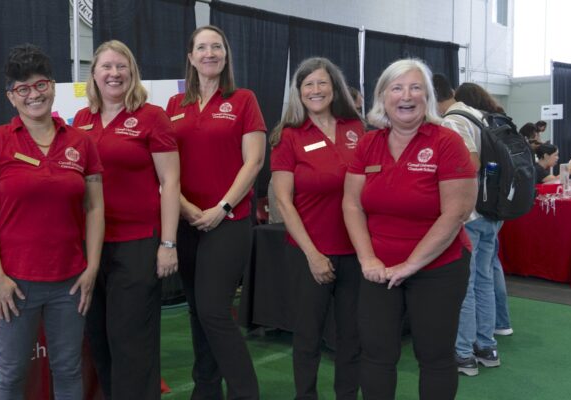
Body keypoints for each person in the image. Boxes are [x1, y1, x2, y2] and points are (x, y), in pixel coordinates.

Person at [0, 43, 105, 400]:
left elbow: (94, 208)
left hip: (71, 282)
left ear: (53, 86)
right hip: (15, 284)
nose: (34, 95)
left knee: (68, 368)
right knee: (12, 373)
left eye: (40, 84)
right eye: (23, 88)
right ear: (11, 97)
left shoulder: (81, 142)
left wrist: (91, 268)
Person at [342, 59, 475, 399]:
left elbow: (455, 212)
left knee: (435, 356)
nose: (407, 95)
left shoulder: (447, 142)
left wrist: (411, 264)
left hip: (438, 268)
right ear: (383, 96)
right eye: (397, 88)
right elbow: (352, 205)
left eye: (416, 87)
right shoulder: (368, 144)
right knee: (376, 355)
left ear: (427, 96)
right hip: (379, 271)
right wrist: (368, 259)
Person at [72, 40, 180, 400]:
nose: (114, 74)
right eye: (106, 67)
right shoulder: (81, 120)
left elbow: (170, 182)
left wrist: (167, 244)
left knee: (131, 342)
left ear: (132, 73)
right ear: (94, 74)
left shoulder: (152, 117)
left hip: (137, 243)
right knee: (99, 338)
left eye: (122, 67)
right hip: (91, 246)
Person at [165, 25, 265, 399]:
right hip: (187, 221)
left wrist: (221, 208)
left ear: (226, 54)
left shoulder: (243, 99)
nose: (210, 53)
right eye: (202, 47)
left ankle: (244, 392)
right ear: (190, 57)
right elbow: (166, 168)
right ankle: (206, 391)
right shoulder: (175, 107)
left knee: (213, 310)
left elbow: (253, 162)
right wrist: (188, 210)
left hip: (229, 221)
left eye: (217, 47)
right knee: (196, 311)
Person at [270, 57, 363, 400]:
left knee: (352, 337)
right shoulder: (289, 136)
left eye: (322, 83)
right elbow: (283, 201)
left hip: (356, 252)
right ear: (298, 92)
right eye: (307, 84)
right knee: (307, 338)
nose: (315, 90)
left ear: (335, 87)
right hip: (309, 253)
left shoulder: (357, 128)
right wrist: (313, 254)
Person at [438, 80, 513, 376]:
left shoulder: (454, 121)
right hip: (491, 211)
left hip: (470, 213)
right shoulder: (477, 115)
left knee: (464, 284)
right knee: (482, 279)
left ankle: (463, 352)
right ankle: (486, 346)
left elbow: (469, 163)